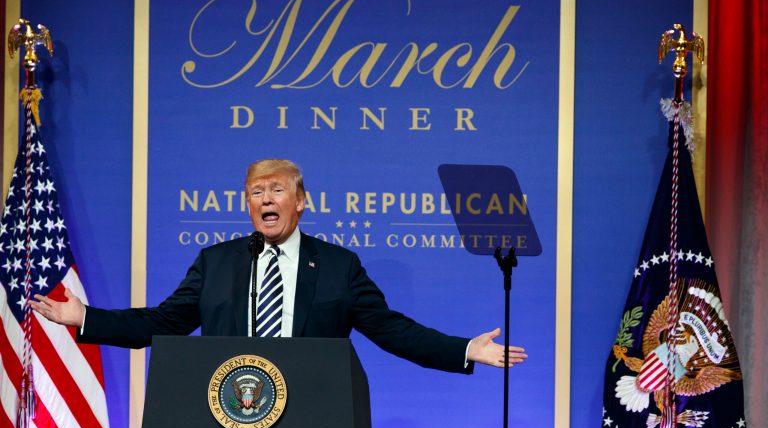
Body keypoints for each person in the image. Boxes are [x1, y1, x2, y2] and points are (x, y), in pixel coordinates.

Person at [32, 159, 527, 373]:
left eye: (276, 190)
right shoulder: (216, 261)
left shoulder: (337, 266)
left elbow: (391, 330)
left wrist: (464, 349)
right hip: (225, 415)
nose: (265, 199)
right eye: (255, 192)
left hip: (312, 422)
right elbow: (164, 322)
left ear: (301, 201)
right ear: (246, 203)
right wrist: (87, 318)